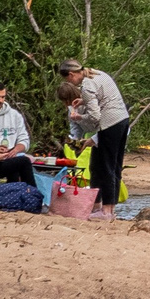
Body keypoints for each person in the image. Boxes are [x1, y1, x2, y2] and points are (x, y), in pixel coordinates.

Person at [58, 58, 131, 214]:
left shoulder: (86, 85)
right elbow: (104, 97)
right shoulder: (98, 74)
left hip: (110, 124)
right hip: (122, 120)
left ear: (71, 74)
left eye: (68, 79)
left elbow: (95, 117)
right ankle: (102, 207)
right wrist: (84, 101)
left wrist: (79, 118)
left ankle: (107, 210)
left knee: (107, 168)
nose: (72, 83)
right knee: (103, 166)